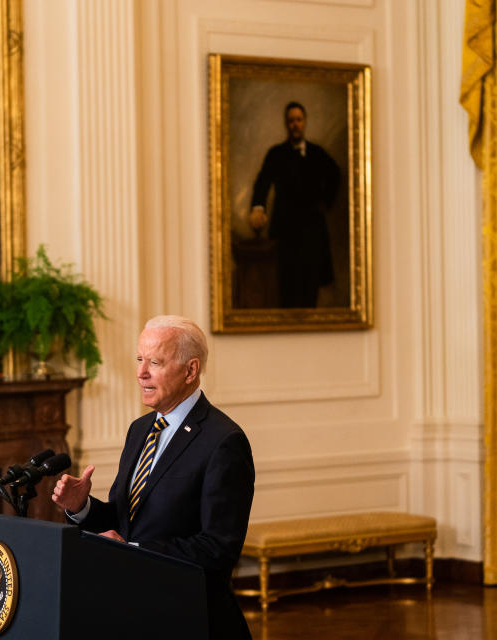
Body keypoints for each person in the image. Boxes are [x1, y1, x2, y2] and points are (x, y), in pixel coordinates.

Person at [52, 315, 255, 639]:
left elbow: (218, 548)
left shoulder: (223, 441)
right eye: (139, 359)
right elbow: (124, 520)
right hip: (132, 611)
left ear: (191, 370)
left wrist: (131, 549)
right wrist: (83, 508)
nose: (140, 372)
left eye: (155, 362)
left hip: (191, 617)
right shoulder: (140, 429)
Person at [249, 101, 341, 308]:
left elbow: (335, 175)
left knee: (311, 283)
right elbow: (263, 182)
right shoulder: (276, 154)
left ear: (304, 122)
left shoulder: (317, 153)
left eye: (299, 120)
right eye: (291, 121)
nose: (295, 125)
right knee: (287, 282)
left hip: (312, 230)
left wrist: (326, 201)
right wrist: (257, 207)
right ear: (286, 124)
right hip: (286, 229)